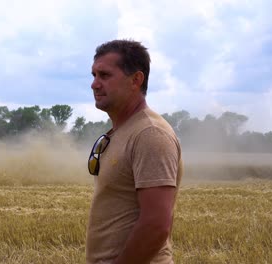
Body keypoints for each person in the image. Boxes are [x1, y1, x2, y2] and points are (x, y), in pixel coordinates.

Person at [86, 39, 183, 264]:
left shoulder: (150, 134)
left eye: (105, 75)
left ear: (136, 80)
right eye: (94, 75)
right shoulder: (123, 131)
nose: (95, 84)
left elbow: (156, 225)